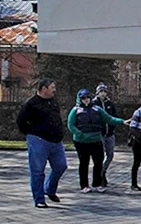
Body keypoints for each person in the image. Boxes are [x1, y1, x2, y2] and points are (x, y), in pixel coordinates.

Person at [17, 78, 68, 208]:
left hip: (56, 142)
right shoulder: (32, 104)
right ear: (44, 89)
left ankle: (49, 189)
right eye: (52, 88)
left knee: (61, 166)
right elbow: (21, 121)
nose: (54, 90)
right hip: (39, 141)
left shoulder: (54, 102)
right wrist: (32, 134)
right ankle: (39, 199)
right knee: (38, 171)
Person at [67, 88, 129, 193]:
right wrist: (79, 134)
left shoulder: (97, 109)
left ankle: (97, 183)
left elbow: (108, 118)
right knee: (84, 163)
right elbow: (70, 124)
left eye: (88, 97)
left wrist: (122, 122)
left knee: (98, 162)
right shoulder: (76, 110)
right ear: (79, 99)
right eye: (83, 98)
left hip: (95, 139)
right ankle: (84, 185)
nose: (86, 100)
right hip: (81, 141)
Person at [92, 84, 118, 186]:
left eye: (104, 91)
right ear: (97, 92)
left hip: (110, 134)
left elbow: (114, 116)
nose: (103, 93)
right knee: (100, 155)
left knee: (110, 155)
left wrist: (112, 127)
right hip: (99, 134)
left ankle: (103, 170)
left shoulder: (110, 104)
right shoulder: (94, 104)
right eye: (101, 91)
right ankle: (99, 176)